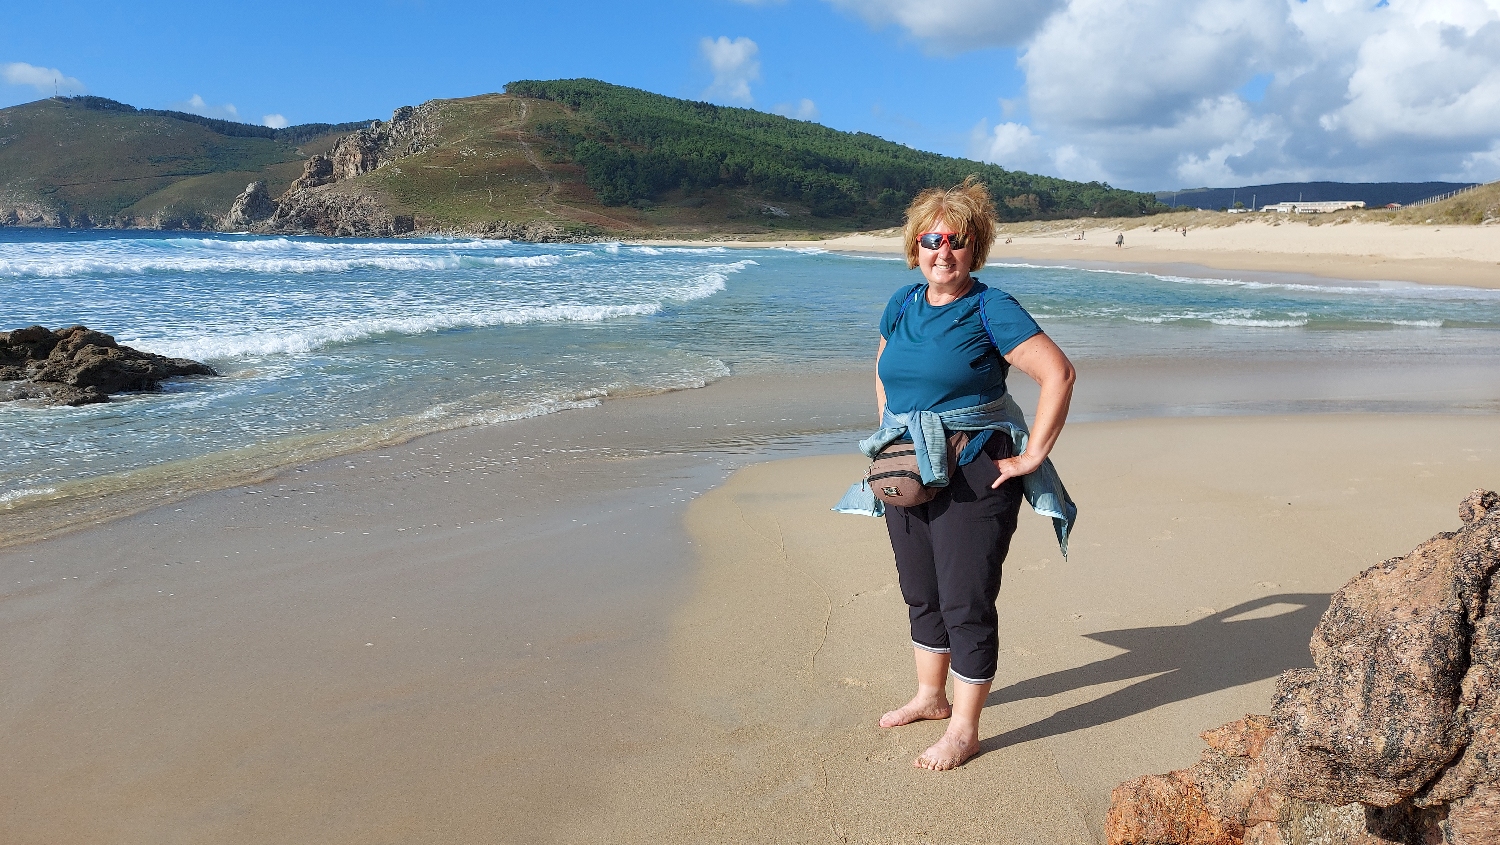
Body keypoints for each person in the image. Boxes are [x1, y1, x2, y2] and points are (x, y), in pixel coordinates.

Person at [838, 177, 1077, 771]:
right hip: (908, 468)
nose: (942, 252)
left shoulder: (990, 307)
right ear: (913, 247)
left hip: (975, 470)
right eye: (930, 240)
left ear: (976, 249)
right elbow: (882, 363)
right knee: (921, 591)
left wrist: (1030, 458)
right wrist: (891, 435)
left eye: (956, 241)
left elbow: (1059, 374)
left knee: (965, 599)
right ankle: (929, 697)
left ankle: (966, 730)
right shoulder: (902, 302)